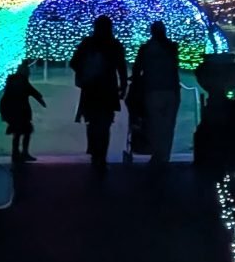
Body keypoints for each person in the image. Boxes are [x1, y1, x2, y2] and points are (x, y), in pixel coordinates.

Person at [71, 15, 128, 169]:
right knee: (105, 124)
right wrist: (123, 85)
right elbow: (121, 67)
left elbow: (74, 62)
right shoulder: (114, 45)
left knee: (92, 121)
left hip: (90, 89)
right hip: (107, 89)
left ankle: (95, 152)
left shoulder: (87, 44)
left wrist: (85, 72)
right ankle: (101, 155)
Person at [131, 21, 181, 166]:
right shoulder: (171, 48)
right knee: (168, 125)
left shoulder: (146, 49)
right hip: (171, 90)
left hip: (151, 90)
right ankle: (164, 155)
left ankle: (157, 154)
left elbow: (137, 69)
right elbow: (174, 69)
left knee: (154, 124)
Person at [0, 61, 47, 163]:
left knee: (18, 133)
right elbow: (33, 92)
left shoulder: (13, 82)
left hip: (13, 112)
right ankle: (22, 153)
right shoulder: (22, 82)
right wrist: (41, 100)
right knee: (25, 132)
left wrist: (4, 113)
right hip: (21, 112)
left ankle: (16, 153)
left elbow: (6, 98)